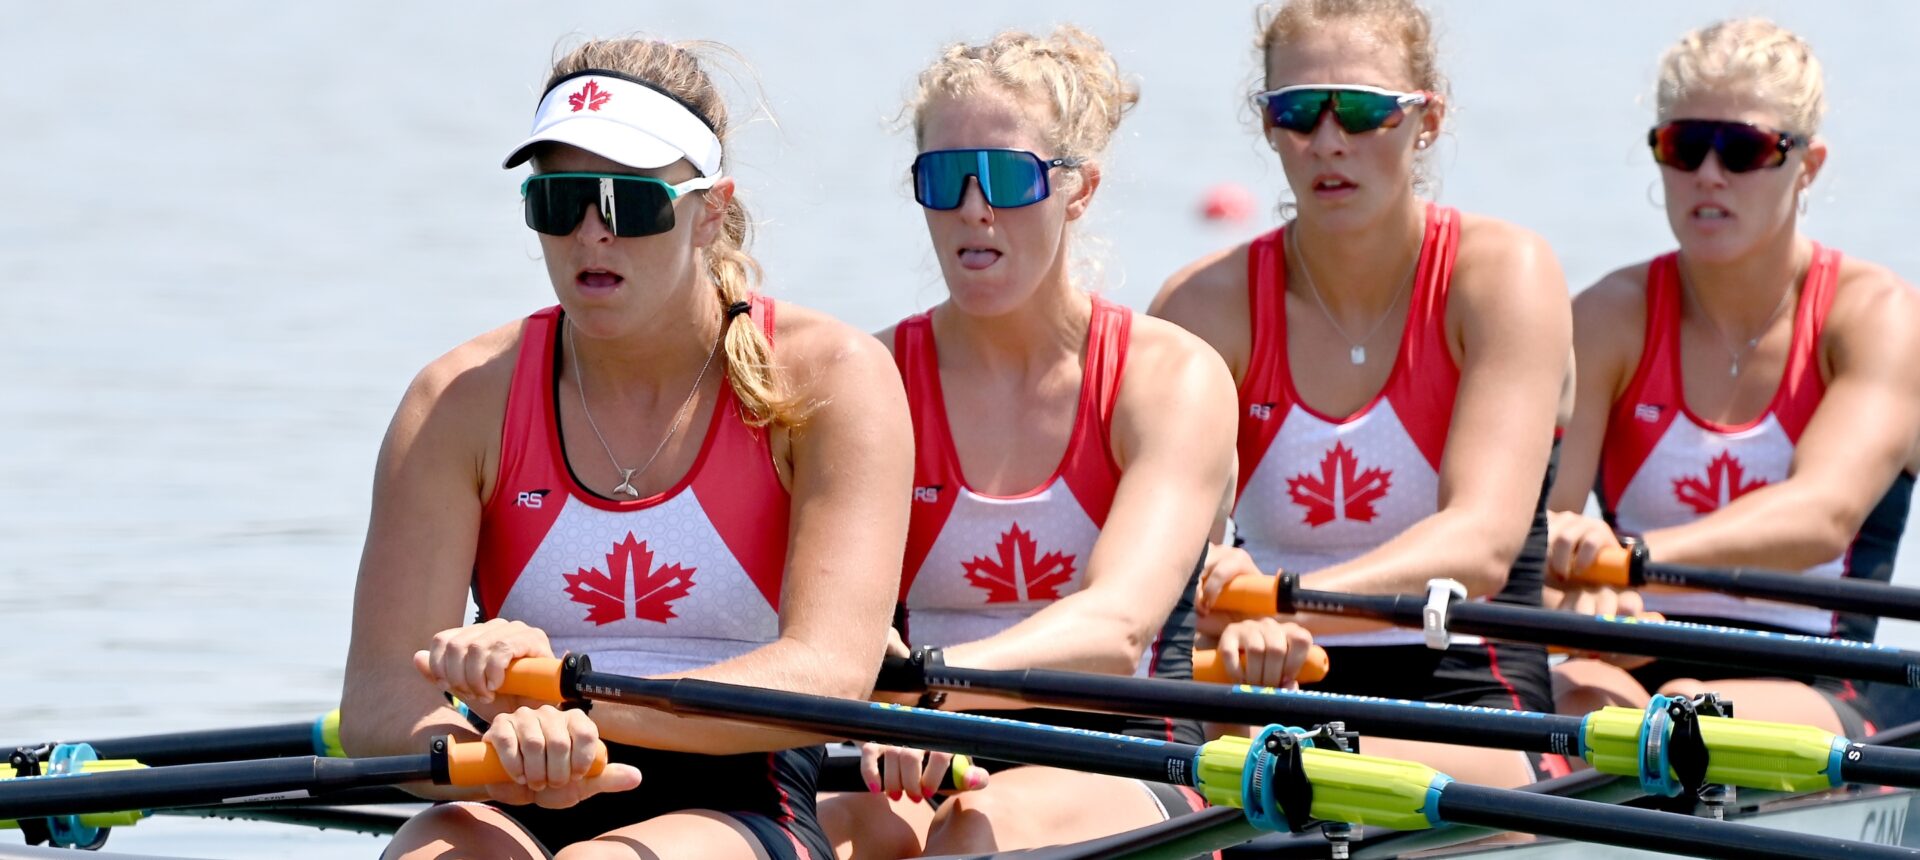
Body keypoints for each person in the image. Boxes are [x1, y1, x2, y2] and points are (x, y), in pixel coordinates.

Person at [339, 37, 914, 860]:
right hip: (512, 781)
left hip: (743, 792)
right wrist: (482, 754)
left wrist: (562, 699)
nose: (589, 234)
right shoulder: (458, 402)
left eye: (627, 203)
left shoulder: (832, 378)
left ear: (710, 209)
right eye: (558, 200)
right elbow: (377, 694)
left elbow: (827, 676)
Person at [817, 26, 1302, 859]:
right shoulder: (870, 378)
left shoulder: (1166, 377)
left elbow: (1115, 629)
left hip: (1126, 746)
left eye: (1008, 177)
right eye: (944, 179)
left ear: (1077, 191)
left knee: (971, 838)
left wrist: (933, 684)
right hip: (910, 747)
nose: (975, 207)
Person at [1151, 0, 1573, 787]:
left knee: (1301, 779)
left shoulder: (1501, 276)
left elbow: (1479, 541)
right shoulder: (1201, 308)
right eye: (1299, 111)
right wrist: (1222, 589)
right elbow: (1160, 540)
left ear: (1428, 120)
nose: (1329, 141)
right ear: (1269, 125)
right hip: (1258, 683)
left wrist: (1276, 604)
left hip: (1462, 690)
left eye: (1365, 110)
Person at [1546, 18, 1920, 737]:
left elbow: (1822, 516)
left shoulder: (1878, 317)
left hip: (1824, 672)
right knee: (1568, 696)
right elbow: (1541, 529)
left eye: (1744, 149)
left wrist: (1628, 561)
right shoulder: (1606, 318)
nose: (1709, 175)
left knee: (1690, 706)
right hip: (1639, 650)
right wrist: (1571, 576)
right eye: (1685, 147)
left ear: (1807, 166)